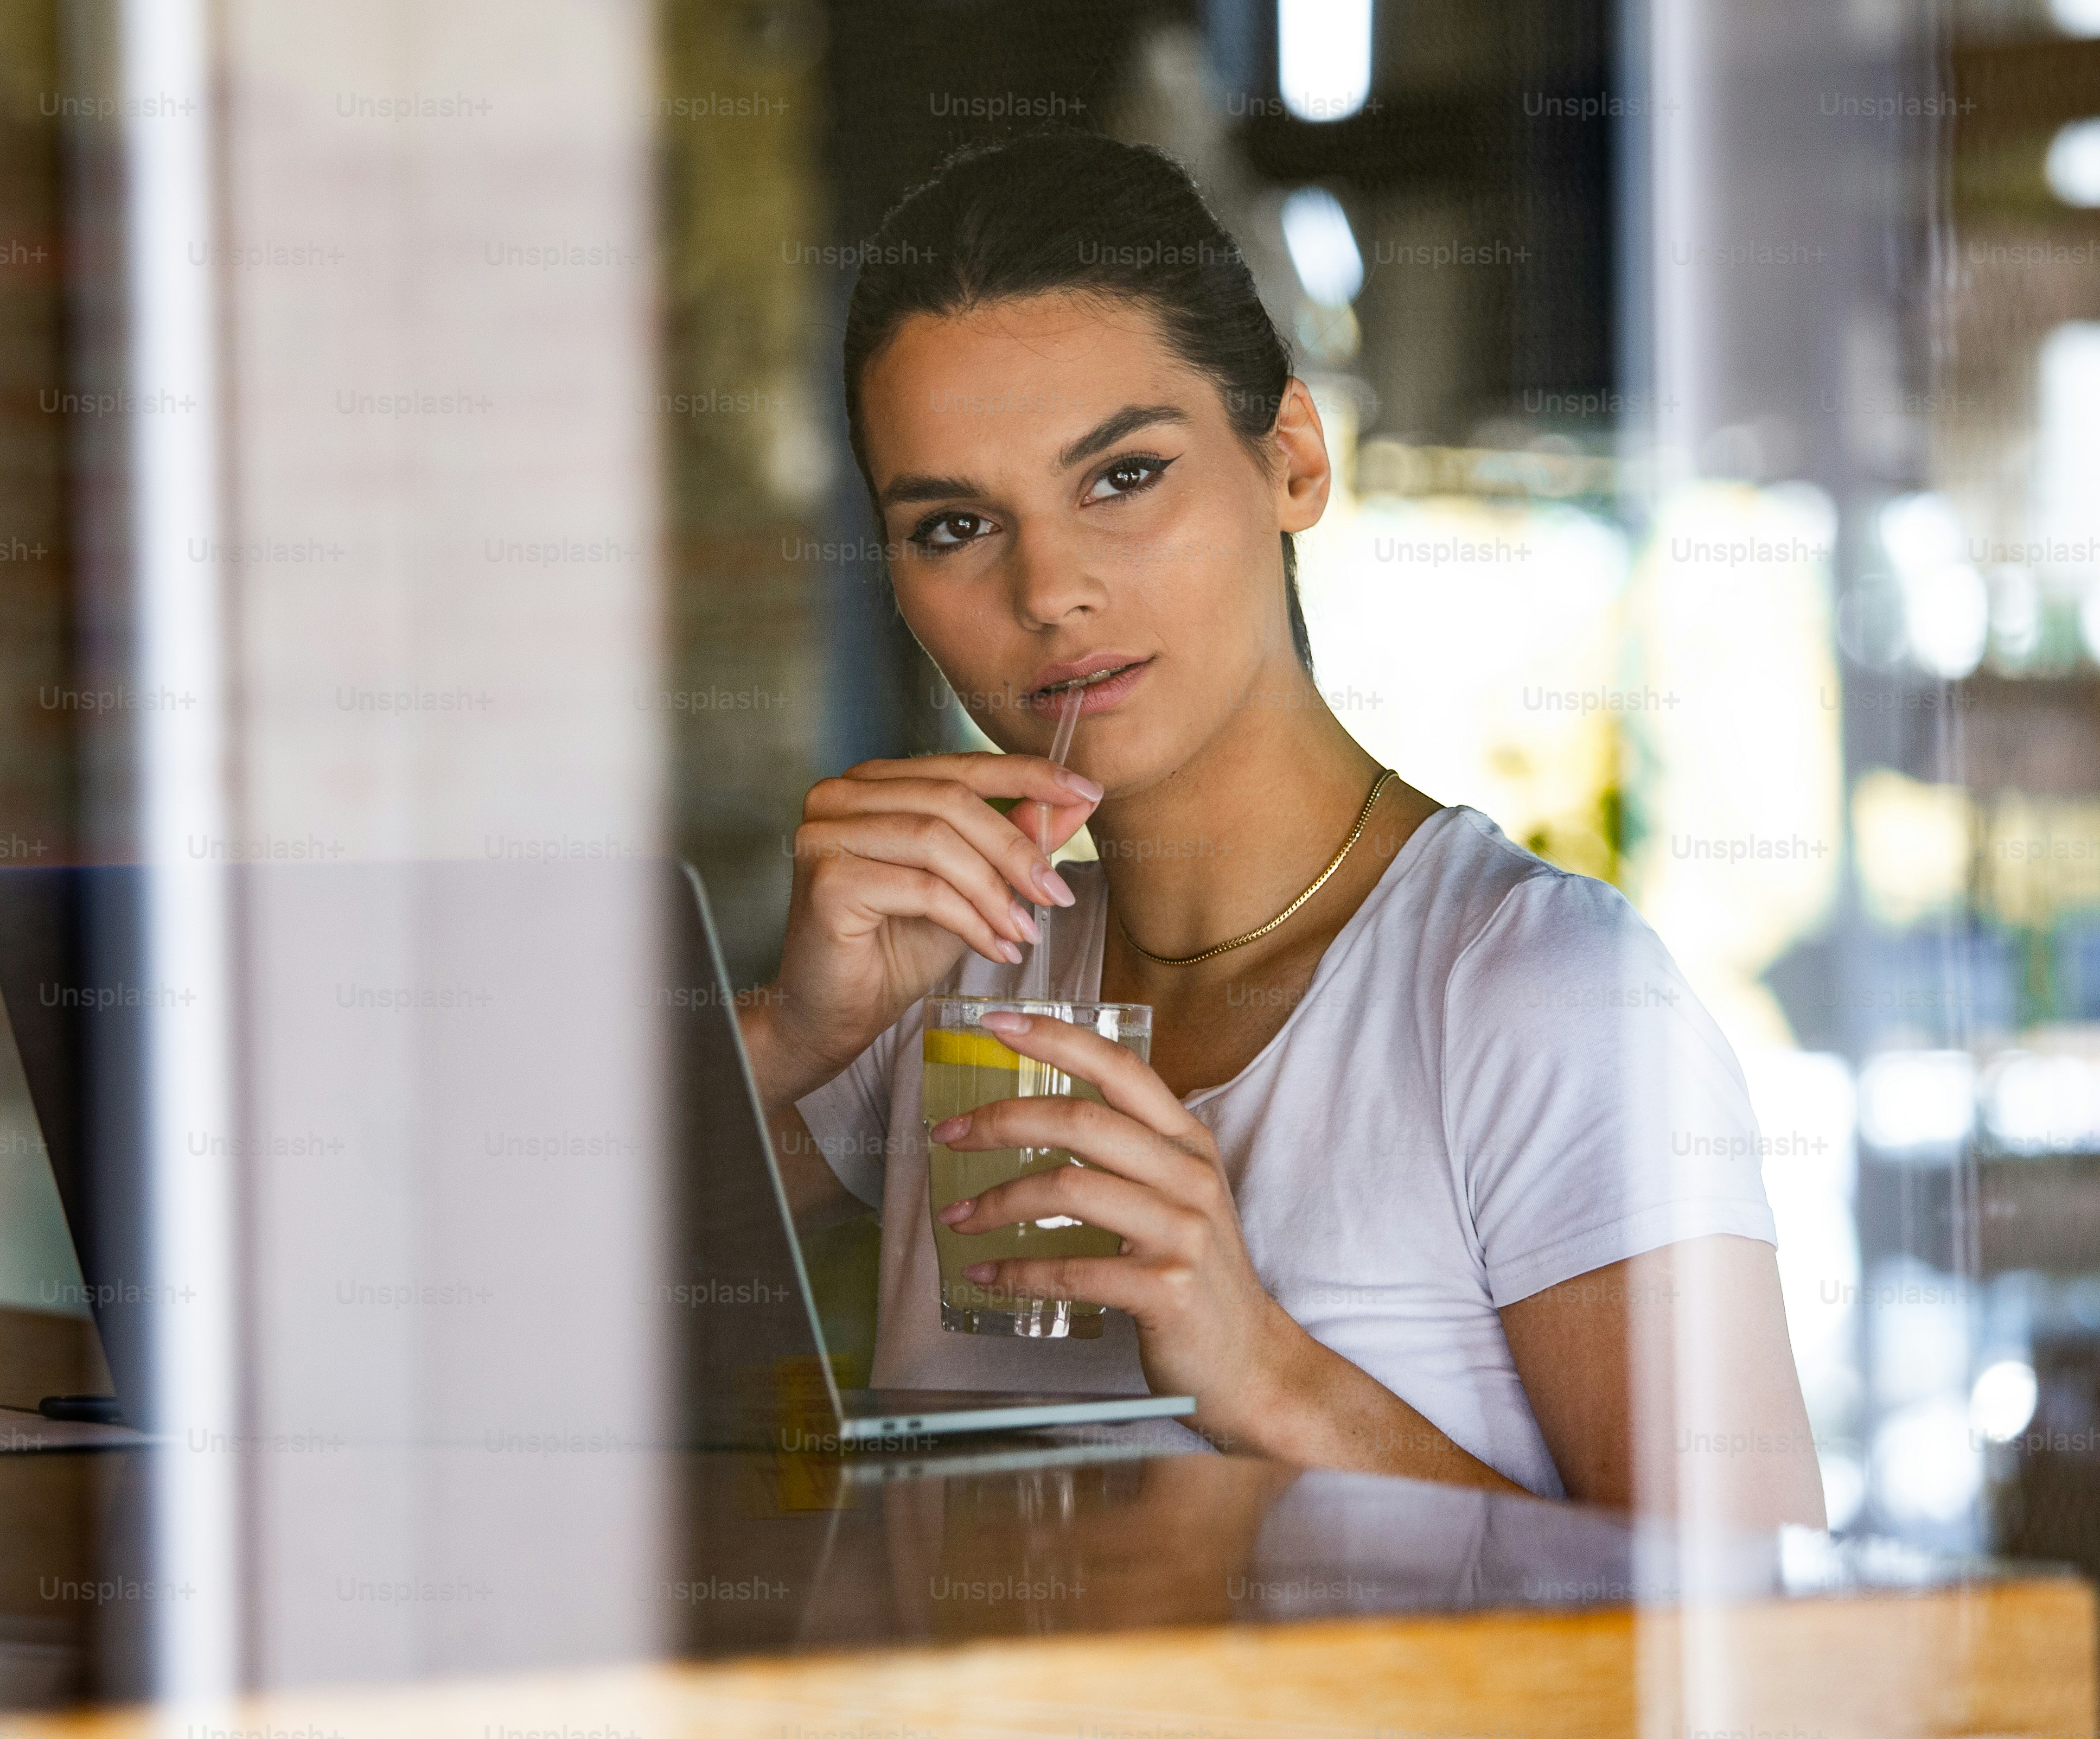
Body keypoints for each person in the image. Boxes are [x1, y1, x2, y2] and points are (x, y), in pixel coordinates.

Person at [735, 131, 1822, 1525]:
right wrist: (793, 1036)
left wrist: (1273, 1378)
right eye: (954, 525)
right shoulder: (956, 972)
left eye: (1122, 476)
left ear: (1293, 460)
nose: (1050, 588)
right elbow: (485, 1298)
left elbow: (1768, 1665)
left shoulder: (1533, 997)